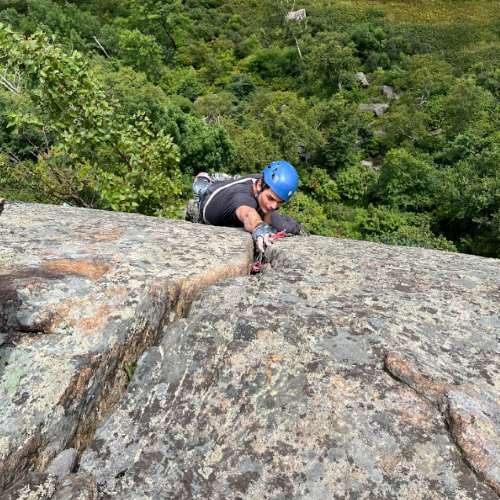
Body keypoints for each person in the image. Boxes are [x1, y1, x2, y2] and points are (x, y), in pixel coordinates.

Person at [189, 161, 307, 253]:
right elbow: (247, 214)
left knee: (282, 226)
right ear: (260, 185)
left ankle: (229, 180)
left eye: (280, 202)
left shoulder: (264, 189)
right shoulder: (242, 198)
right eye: (270, 198)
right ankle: (209, 183)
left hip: (252, 193)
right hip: (210, 201)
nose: (273, 206)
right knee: (210, 189)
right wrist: (259, 227)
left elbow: (271, 215)